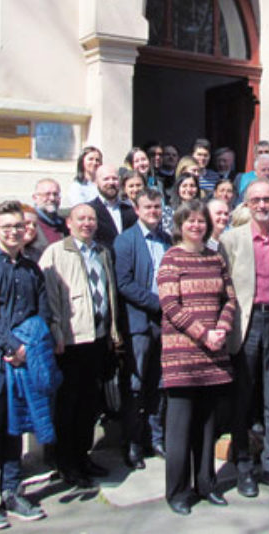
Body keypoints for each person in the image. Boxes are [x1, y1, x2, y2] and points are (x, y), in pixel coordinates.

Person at [0, 200, 47, 529]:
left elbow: (41, 311)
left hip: (23, 361)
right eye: (7, 227)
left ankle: (12, 491)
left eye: (19, 226)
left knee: (16, 426)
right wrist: (12, 346)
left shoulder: (31, 269)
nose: (14, 232)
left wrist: (29, 346)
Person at [220, 180, 269, 497]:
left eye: (268, 199)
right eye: (256, 200)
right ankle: (243, 468)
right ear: (247, 204)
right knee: (242, 399)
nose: (262, 205)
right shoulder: (231, 240)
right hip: (245, 324)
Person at [158, 200, 237, 514]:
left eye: (201, 221)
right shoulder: (171, 259)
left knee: (207, 426)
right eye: (189, 221)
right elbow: (170, 306)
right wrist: (203, 334)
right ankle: (177, 492)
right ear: (180, 225)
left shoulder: (216, 258)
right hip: (182, 357)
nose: (196, 226)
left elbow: (229, 299)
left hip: (213, 355)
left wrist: (221, 328)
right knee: (179, 430)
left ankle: (207, 484)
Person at [39, 203, 121, 487]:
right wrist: (56, 331)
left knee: (89, 404)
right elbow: (48, 296)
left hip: (97, 339)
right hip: (71, 341)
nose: (87, 223)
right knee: (68, 405)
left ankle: (83, 456)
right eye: (81, 218)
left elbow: (108, 293)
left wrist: (112, 332)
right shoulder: (56, 252)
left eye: (91, 219)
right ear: (70, 223)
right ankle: (66, 463)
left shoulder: (101, 252)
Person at [114, 189, 171, 470]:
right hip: (139, 323)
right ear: (136, 210)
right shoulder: (125, 241)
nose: (153, 211)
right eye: (148, 207)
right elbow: (123, 283)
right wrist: (157, 303)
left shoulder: (167, 240)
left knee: (158, 384)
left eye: (157, 207)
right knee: (135, 386)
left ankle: (154, 438)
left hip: (164, 324)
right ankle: (133, 443)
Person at [89, 163, 138, 250]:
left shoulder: (130, 211)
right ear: (96, 182)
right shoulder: (90, 210)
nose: (111, 182)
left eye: (114, 178)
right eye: (106, 179)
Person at [31, 178, 68, 252]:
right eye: (47, 194)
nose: (52, 198)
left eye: (55, 194)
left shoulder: (65, 225)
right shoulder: (29, 223)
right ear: (35, 198)